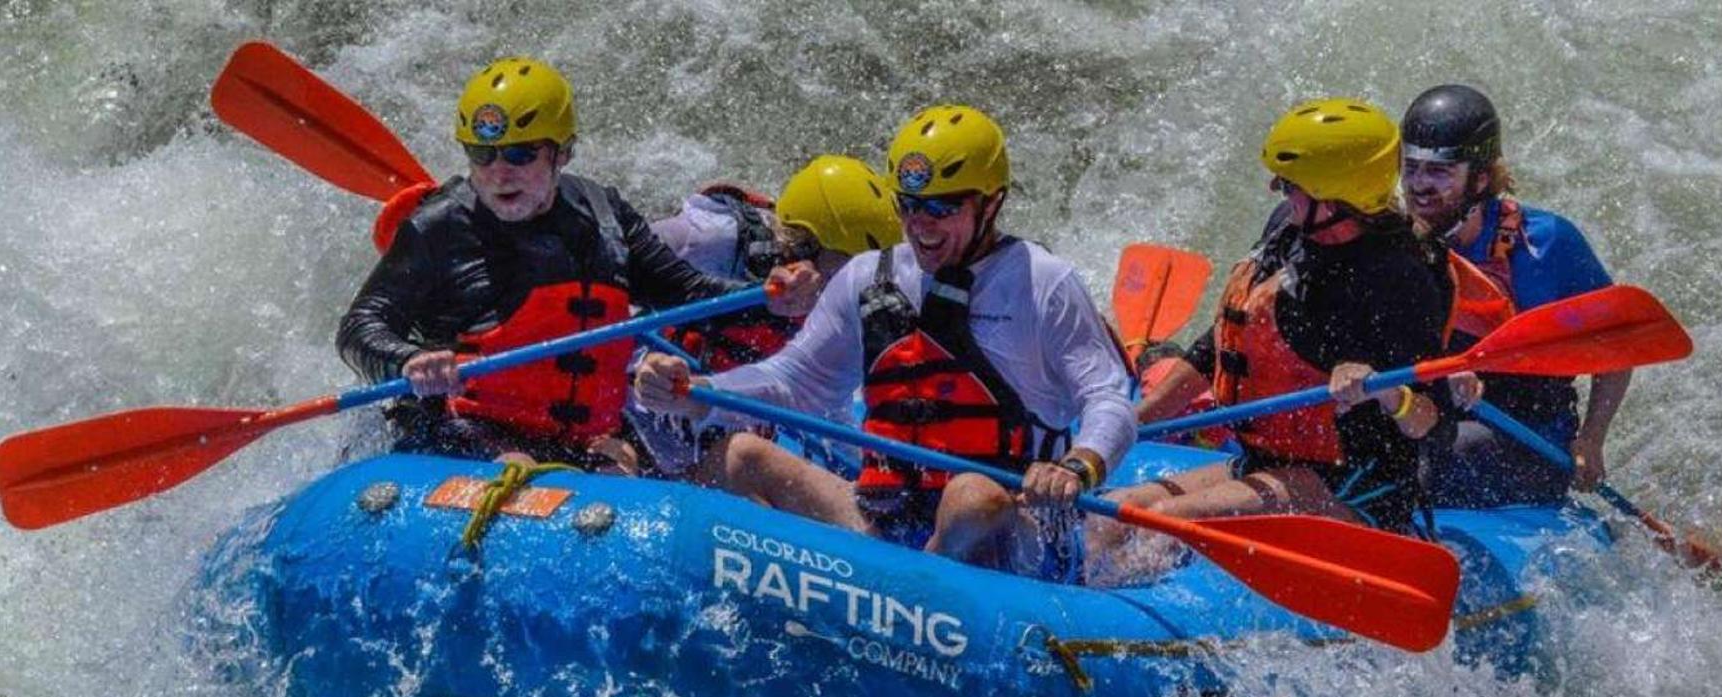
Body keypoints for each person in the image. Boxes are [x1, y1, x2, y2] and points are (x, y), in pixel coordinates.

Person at [632, 104, 1135, 576]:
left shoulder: (1043, 282)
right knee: (742, 454)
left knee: (972, 497)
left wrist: (1078, 465)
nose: (921, 226)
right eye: (908, 206)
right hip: (886, 522)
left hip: (1013, 526)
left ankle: (911, 591)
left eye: (940, 208)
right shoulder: (867, 277)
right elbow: (792, 381)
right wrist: (699, 393)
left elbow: (1108, 397)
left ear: (991, 203)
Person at [336, 56, 816, 471]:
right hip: (469, 431)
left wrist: (773, 299)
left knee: (616, 468)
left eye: (520, 155)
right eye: (481, 154)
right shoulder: (439, 226)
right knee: (521, 470)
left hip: (580, 439)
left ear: (562, 152)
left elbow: (687, 294)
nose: (498, 172)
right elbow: (360, 327)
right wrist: (410, 360)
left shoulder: (603, 216)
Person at [1101, 99, 1508, 561]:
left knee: (1163, 524)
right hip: (1266, 462)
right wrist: (1131, 423)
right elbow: (1216, 348)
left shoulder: (1402, 275)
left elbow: (1431, 424)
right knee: (1118, 510)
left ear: (1334, 195)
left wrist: (1383, 390)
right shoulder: (1290, 229)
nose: (1278, 188)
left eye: (1290, 184)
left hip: (1354, 487)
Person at [1401, 83, 1624, 505]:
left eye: (1439, 172)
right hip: (1429, 417)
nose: (1419, 186)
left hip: (1529, 436)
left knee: (1435, 458)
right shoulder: (1396, 243)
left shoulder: (1547, 244)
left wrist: (1591, 439)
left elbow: (1616, 348)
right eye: (1411, 168)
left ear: (1481, 178)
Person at [628, 155, 903, 478]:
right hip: (637, 404)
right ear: (805, 245)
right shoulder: (710, 237)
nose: (854, 284)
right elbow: (615, 268)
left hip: (710, 426)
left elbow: (828, 405)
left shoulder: (839, 301)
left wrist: (861, 476)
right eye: (846, 267)